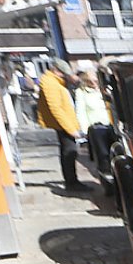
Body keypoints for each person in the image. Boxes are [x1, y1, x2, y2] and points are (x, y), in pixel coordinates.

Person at [37, 59, 88, 193]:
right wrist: (70, 129)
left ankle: (72, 182)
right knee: (69, 152)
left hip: (65, 124)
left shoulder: (55, 81)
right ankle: (72, 183)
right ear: (55, 70)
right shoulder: (49, 83)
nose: (65, 75)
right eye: (63, 73)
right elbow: (56, 109)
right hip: (63, 125)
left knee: (69, 152)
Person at [73, 61, 115, 185]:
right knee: (103, 156)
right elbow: (80, 111)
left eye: (96, 80)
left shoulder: (106, 89)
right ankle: (107, 182)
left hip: (112, 125)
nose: (94, 83)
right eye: (91, 81)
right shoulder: (81, 92)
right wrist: (85, 130)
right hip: (96, 128)